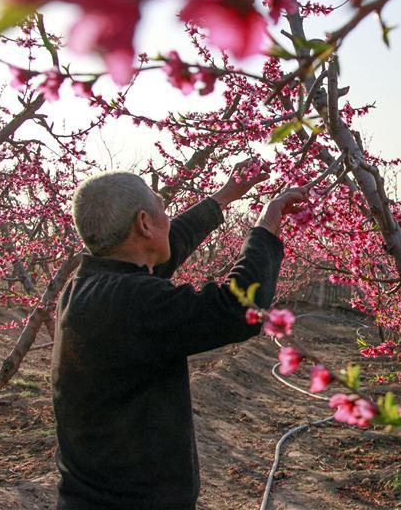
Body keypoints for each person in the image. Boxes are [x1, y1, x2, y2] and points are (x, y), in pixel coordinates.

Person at [52, 163, 307, 509]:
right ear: (144, 223)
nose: (168, 220)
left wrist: (225, 197)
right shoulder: (131, 302)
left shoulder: (88, 285)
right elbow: (236, 310)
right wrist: (266, 225)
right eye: (162, 210)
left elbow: (162, 250)